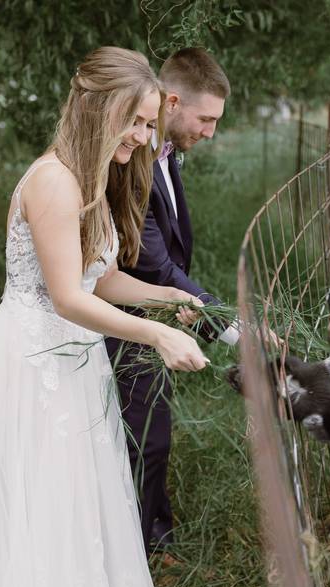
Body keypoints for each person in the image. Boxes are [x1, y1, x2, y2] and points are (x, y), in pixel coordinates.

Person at [0, 46, 207, 587]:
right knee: (28, 501)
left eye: (149, 124)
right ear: (98, 110)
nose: (144, 137)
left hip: (74, 361)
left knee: (73, 504)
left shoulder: (90, 179)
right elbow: (67, 296)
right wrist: (157, 334)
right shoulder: (54, 183)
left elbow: (98, 276)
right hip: (31, 362)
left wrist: (169, 298)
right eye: (135, 122)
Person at [105, 47, 234, 556]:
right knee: (142, 440)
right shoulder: (131, 155)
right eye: (206, 119)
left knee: (153, 431)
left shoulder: (161, 152)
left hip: (153, 308)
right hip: (126, 317)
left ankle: (156, 525)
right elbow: (154, 263)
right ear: (174, 102)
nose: (210, 132)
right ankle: (132, 551)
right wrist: (230, 326)